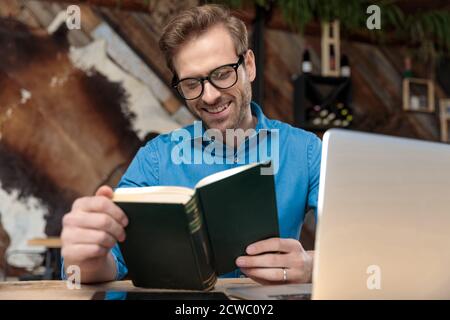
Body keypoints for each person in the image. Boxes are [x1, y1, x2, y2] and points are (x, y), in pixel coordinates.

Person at [61, 4, 321, 284]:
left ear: (249, 65)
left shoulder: (305, 150)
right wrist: (87, 258)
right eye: (191, 83)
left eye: (222, 73)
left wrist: (312, 266)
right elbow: (108, 265)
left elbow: (361, 243)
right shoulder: (156, 159)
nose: (208, 96)